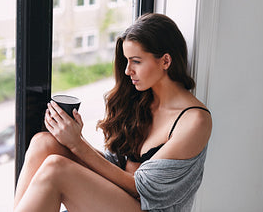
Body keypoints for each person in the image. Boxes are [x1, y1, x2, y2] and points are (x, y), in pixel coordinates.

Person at [13, 13, 212, 212]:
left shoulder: (195, 121)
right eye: (126, 61)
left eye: (136, 61)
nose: (127, 71)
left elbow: (141, 188)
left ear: (165, 61)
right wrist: (71, 137)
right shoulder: (140, 101)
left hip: (146, 206)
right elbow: (115, 165)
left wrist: (77, 144)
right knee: (43, 142)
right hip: (120, 200)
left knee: (56, 169)